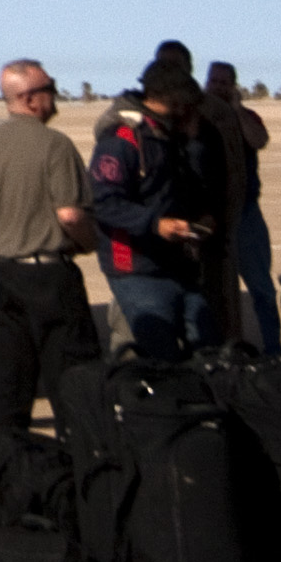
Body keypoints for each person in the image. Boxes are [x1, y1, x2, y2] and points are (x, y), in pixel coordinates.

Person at [0, 59, 94, 465]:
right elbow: (70, 214)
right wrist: (92, 242)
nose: (54, 95)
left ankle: (3, 474)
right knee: (74, 381)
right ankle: (84, 469)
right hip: (49, 275)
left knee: (6, 387)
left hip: (2, 273)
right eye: (49, 88)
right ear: (30, 99)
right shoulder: (55, 146)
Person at [90, 56, 220, 360]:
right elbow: (105, 202)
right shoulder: (123, 139)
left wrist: (194, 143)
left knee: (207, 344)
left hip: (177, 263)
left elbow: (191, 186)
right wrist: (155, 224)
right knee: (160, 352)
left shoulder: (173, 136)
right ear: (168, 96)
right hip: (136, 266)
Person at [205, 60, 281, 348]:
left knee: (261, 288)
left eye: (224, 83)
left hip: (246, 213)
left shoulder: (246, 116)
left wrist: (236, 112)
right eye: (214, 82)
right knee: (217, 293)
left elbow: (259, 140)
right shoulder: (196, 117)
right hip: (212, 215)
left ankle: (274, 348)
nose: (218, 88)